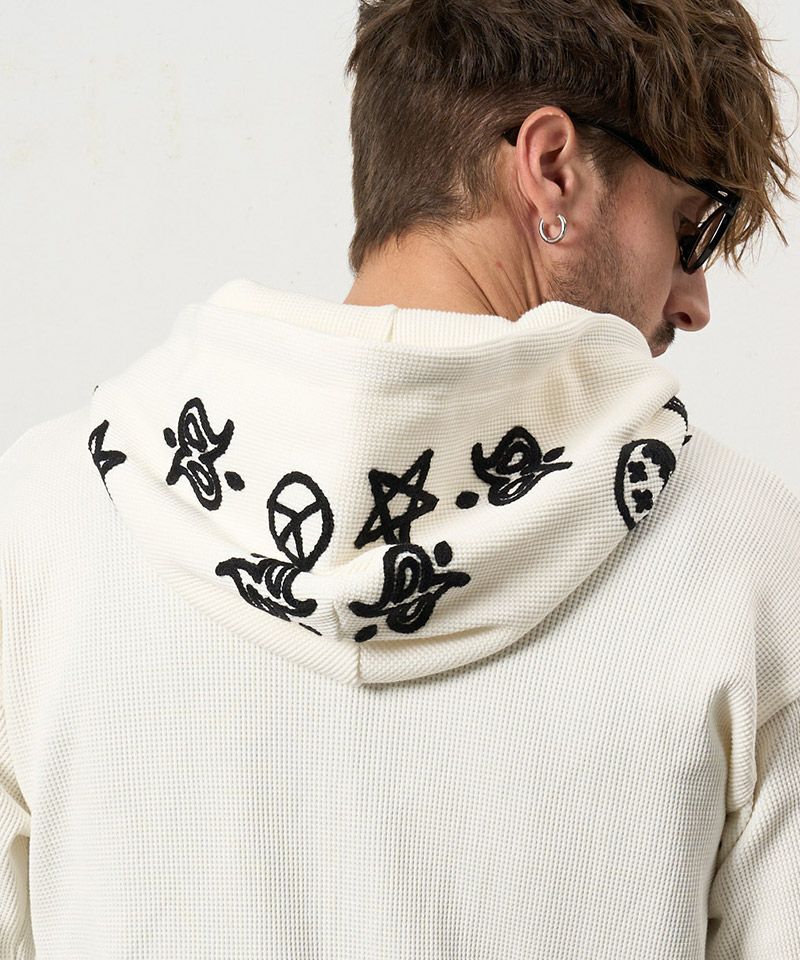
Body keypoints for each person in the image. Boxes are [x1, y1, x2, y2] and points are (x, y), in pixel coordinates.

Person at [0, 1, 797, 957]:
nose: (694, 301)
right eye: (691, 229)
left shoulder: (44, 523)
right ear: (554, 170)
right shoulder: (752, 568)